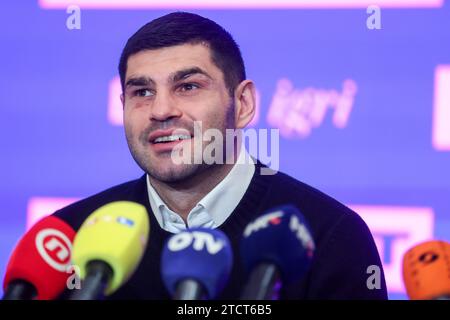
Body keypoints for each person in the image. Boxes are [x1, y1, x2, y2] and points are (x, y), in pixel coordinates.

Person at [53, 12, 387, 299]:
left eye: (188, 86)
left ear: (243, 104)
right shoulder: (69, 237)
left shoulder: (330, 237)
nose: (161, 110)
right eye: (142, 91)